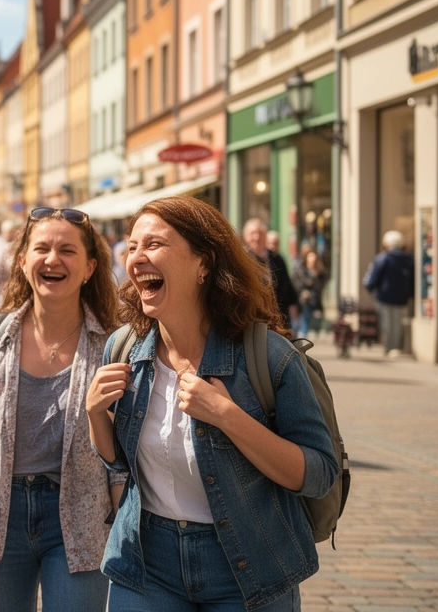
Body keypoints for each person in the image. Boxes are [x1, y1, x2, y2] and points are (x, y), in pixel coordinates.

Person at [87, 196, 338, 612]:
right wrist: (95, 413)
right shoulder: (124, 348)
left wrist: (227, 415)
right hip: (147, 563)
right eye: (132, 247)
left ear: (203, 263)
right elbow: (119, 462)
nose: (137, 258)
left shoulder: (269, 357)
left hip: (249, 567)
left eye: (154, 244)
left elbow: (318, 475)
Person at [0, 207, 121, 612]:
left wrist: (125, 523)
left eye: (67, 250)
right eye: (42, 249)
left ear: (90, 268)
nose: (52, 259)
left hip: (82, 516)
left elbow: (122, 449)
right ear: (22, 261)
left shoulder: (112, 343)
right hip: (0, 514)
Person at [363, 230, 415, 357]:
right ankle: (396, 347)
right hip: (402, 297)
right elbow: (413, 280)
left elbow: (373, 277)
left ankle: (388, 347)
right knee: (398, 322)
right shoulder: (408, 259)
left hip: (384, 296)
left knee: (387, 323)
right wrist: (411, 294)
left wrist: (370, 287)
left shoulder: (383, 258)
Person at [243, 218, 298, 327]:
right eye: (252, 233)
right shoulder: (241, 259)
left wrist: (294, 306)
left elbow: (287, 286)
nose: (256, 237)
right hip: (251, 319)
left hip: (277, 318)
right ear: (245, 236)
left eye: (260, 233)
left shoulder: (277, 259)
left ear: (266, 236)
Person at [292, 248, 328, 339]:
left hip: (314, 301)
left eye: (314, 259)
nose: (312, 261)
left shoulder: (319, 273)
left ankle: (305, 332)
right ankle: (301, 333)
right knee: (303, 314)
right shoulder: (301, 271)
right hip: (301, 301)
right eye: (310, 258)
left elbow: (319, 287)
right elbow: (296, 284)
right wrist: (303, 293)